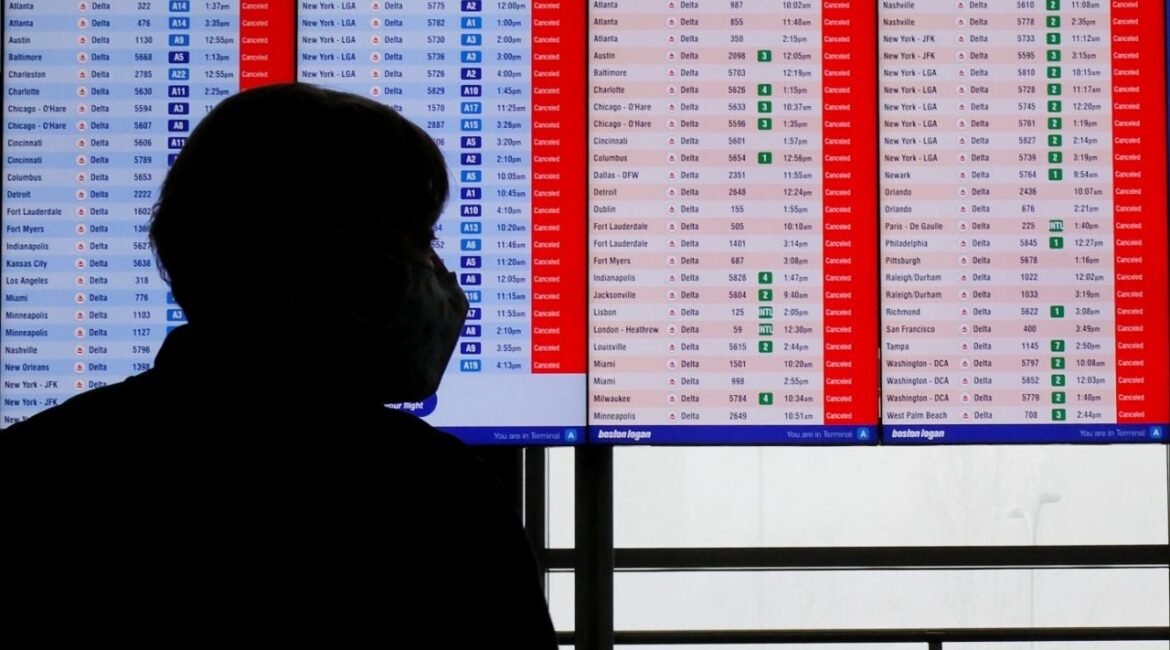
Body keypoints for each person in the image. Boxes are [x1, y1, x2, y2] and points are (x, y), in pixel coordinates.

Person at [0, 83, 558, 647]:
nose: (437, 275)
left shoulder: (34, 474)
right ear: (330, 263)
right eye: (419, 238)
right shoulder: (438, 501)